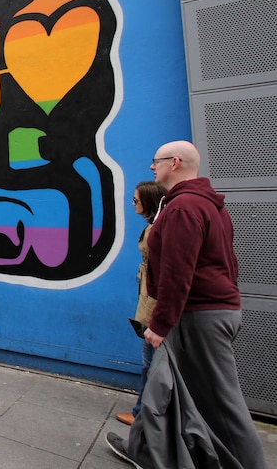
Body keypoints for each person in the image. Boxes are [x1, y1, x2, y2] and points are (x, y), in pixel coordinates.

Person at [106, 141, 267, 469]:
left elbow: (179, 271)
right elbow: (228, 262)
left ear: (174, 162)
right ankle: (143, 449)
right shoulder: (204, 204)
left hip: (199, 314)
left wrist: (161, 323)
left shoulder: (183, 208)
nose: (153, 167)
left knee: (222, 405)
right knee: (161, 386)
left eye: (157, 161)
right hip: (203, 310)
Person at [115, 181, 164, 426]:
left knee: (151, 361)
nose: (133, 204)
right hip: (149, 297)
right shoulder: (156, 225)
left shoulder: (159, 227)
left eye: (136, 200)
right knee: (151, 360)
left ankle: (142, 414)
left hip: (154, 302)